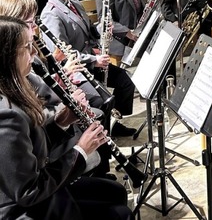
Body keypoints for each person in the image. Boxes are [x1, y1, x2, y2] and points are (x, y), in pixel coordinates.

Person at [0, 16, 131, 220]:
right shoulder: (6, 114)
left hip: (40, 188)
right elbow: (28, 191)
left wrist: (61, 123)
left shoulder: (14, 90)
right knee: (120, 214)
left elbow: (31, 146)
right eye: (27, 47)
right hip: (24, 209)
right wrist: (81, 151)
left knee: (116, 192)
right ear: (7, 56)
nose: (34, 53)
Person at [40, 0, 137, 137]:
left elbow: (91, 31)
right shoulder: (51, 14)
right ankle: (101, 135)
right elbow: (61, 52)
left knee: (126, 81)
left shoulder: (75, 3)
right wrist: (93, 59)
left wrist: (103, 28)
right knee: (101, 99)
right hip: (74, 69)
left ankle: (115, 122)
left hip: (91, 61)